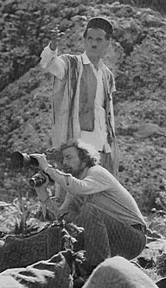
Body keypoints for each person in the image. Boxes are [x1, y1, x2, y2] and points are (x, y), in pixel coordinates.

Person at [31, 139, 147, 275]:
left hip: (132, 237)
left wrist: (47, 168)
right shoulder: (75, 188)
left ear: (84, 158)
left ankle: (97, 271)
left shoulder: (96, 172)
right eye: (63, 159)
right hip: (110, 240)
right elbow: (62, 218)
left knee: (88, 209)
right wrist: (43, 194)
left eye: (68, 157)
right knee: (63, 229)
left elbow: (78, 187)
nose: (64, 163)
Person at [40, 15, 119, 177]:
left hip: (101, 142)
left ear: (107, 43)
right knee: (73, 189)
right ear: (84, 40)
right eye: (89, 38)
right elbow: (49, 64)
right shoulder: (71, 64)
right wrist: (53, 47)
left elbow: (107, 112)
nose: (93, 43)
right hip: (77, 141)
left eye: (98, 39)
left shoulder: (107, 75)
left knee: (97, 192)